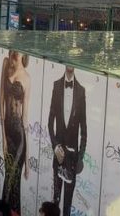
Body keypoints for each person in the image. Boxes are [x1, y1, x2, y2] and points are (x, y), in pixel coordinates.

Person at [47, 66, 86, 216]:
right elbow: (50, 123)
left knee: (67, 206)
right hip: (58, 157)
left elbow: (84, 130)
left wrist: (80, 158)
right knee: (55, 200)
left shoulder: (81, 91)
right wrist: (55, 147)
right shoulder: (56, 86)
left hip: (72, 161)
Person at [0, 51, 30, 213]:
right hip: (8, 133)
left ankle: (5, 211)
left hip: (20, 137)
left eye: (20, 51)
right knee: (8, 176)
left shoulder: (27, 78)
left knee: (12, 178)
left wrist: (28, 156)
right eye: (15, 50)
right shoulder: (6, 65)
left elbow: (25, 117)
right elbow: (1, 103)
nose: (17, 53)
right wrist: (3, 138)